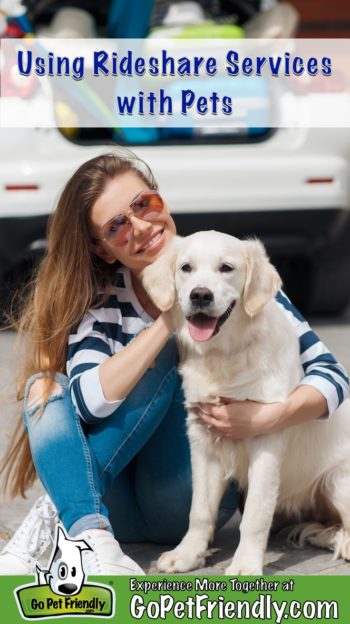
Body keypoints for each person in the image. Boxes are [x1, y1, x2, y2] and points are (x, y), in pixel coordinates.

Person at [0, 151, 349, 575]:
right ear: (102, 249)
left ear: (161, 200)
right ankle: (91, 536)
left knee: (181, 354)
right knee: (46, 385)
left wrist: (268, 417)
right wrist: (169, 320)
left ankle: (59, 516)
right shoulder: (101, 307)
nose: (141, 226)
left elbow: (332, 376)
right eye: (116, 226)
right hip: (114, 507)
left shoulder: (239, 286)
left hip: (179, 496)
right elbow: (87, 404)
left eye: (144, 204)